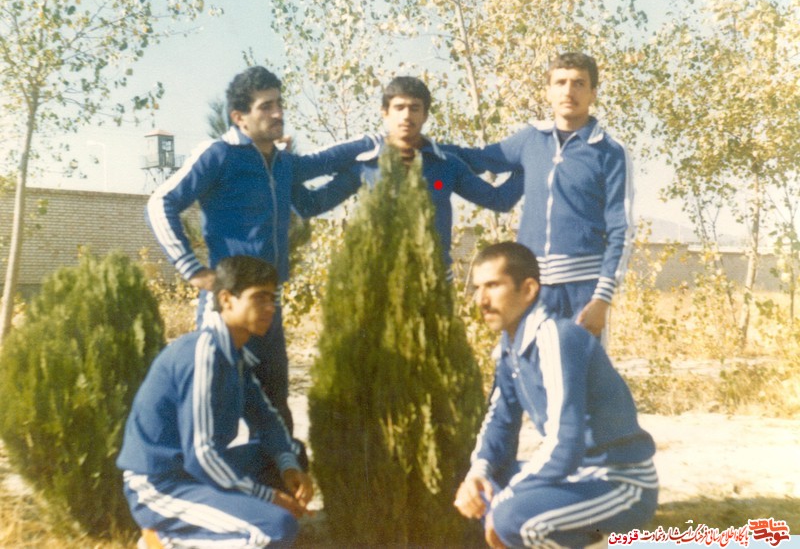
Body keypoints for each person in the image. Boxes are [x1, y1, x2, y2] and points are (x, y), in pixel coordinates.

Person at [146, 66, 376, 438]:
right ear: (240, 117)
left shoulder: (283, 164)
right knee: (213, 417)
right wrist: (192, 269)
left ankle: (276, 474)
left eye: (279, 104)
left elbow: (313, 201)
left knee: (274, 413)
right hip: (227, 308)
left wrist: (361, 170)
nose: (277, 113)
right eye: (266, 106)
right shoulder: (219, 154)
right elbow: (160, 203)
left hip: (270, 306)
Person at [454, 242, 657, 548]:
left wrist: (507, 500)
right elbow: (500, 421)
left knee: (511, 517)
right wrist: (477, 474)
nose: (481, 300)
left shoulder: (555, 337)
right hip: (577, 476)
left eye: (493, 286)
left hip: (620, 482)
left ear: (528, 289)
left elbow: (565, 443)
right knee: (485, 489)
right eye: (477, 287)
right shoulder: (510, 347)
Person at [117, 255, 313, 547]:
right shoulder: (202, 353)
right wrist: (267, 497)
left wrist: (289, 468)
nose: (270, 307)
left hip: (193, 474)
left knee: (290, 452)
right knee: (275, 529)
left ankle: (215, 527)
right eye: (259, 298)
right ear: (226, 300)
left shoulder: (235, 355)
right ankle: (165, 539)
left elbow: (266, 418)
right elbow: (201, 455)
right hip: (160, 485)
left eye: (272, 298)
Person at [443, 53, 635, 337]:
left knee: (577, 364)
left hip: (582, 290)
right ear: (548, 91)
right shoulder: (532, 139)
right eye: (560, 82)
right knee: (525, 361)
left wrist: (602, 299)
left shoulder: (609, 151)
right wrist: (425, 149)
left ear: (593, 93)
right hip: (529, 286)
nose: (568, 91)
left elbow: (622, 229)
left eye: (579, 83)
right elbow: (479, 159)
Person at [338, 76, 523, 272]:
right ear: (385, 113)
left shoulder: (445, 161)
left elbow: (497, 197)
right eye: (399, 108)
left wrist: (529, 163)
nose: (406, 116)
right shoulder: (368, 164)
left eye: (414, 108)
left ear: (425, 115)